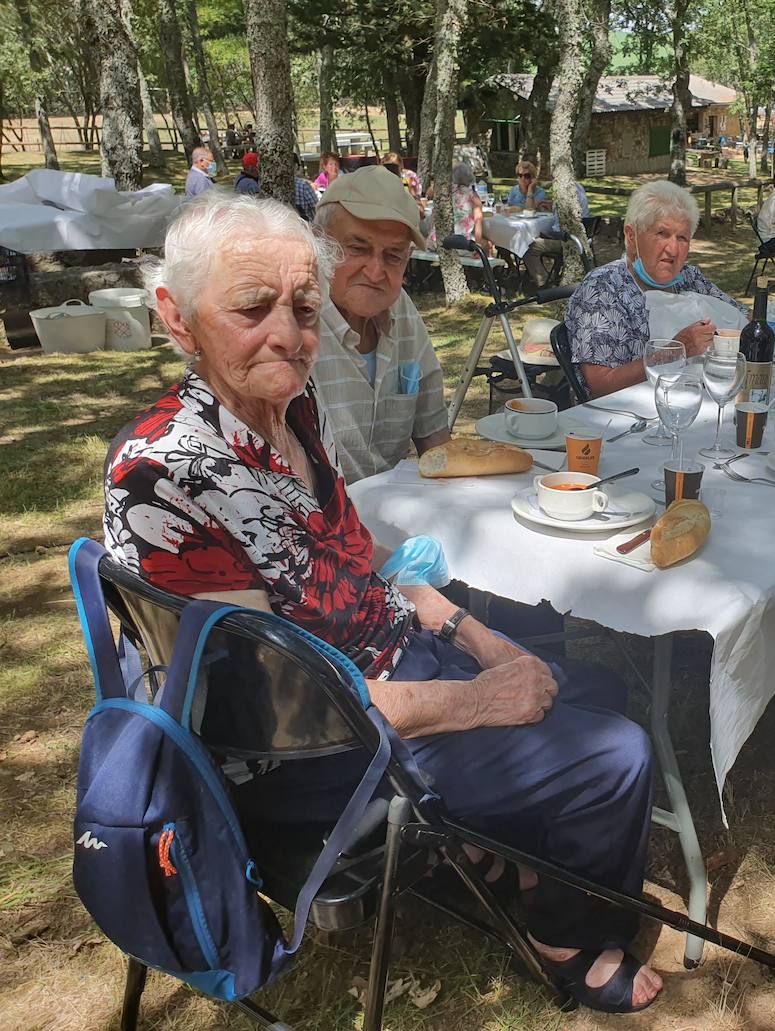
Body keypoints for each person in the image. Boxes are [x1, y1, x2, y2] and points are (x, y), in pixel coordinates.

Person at [104, 192, 663, 1013]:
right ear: (177, 318)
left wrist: (472, 633)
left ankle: (497, 853)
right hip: (323, 754)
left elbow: (359, 559)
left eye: (300, 307)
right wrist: (471, 700)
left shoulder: (291, 407)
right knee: (617, 754)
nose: (288, 334)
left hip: (388, 664)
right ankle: (564, 930)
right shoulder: (164, 474)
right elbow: (268, 712)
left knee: (591, 685)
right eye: (253, 308)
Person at [310, 165, 450, 484]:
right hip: (313, 525)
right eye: (358, 248)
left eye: (393, 256)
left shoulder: (401, 308)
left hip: (391, 517)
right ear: (319, 244)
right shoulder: (292, 323)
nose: (375, 272)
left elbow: (434, 438)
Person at [565, 180, 746, 398]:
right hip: (626, 416)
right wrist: (674, 351)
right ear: (631, 237)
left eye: (682, 238)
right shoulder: (603, 289)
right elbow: (601, 385)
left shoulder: (689, 278)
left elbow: (746, 321)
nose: (672, 249)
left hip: (697, 402)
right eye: (662, 233)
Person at [435, 160, 494, 256]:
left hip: (436, 240)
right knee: (488, 244)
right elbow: (478, 220)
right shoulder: (472, 196)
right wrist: (478, 245)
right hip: (460, 242)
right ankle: (484, 270)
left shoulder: (446, 192)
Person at [292, 154, 319, 222]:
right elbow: (316, 207)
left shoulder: (272, 185)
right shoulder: (303, 185)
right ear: (296, 166)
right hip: (305, 227)